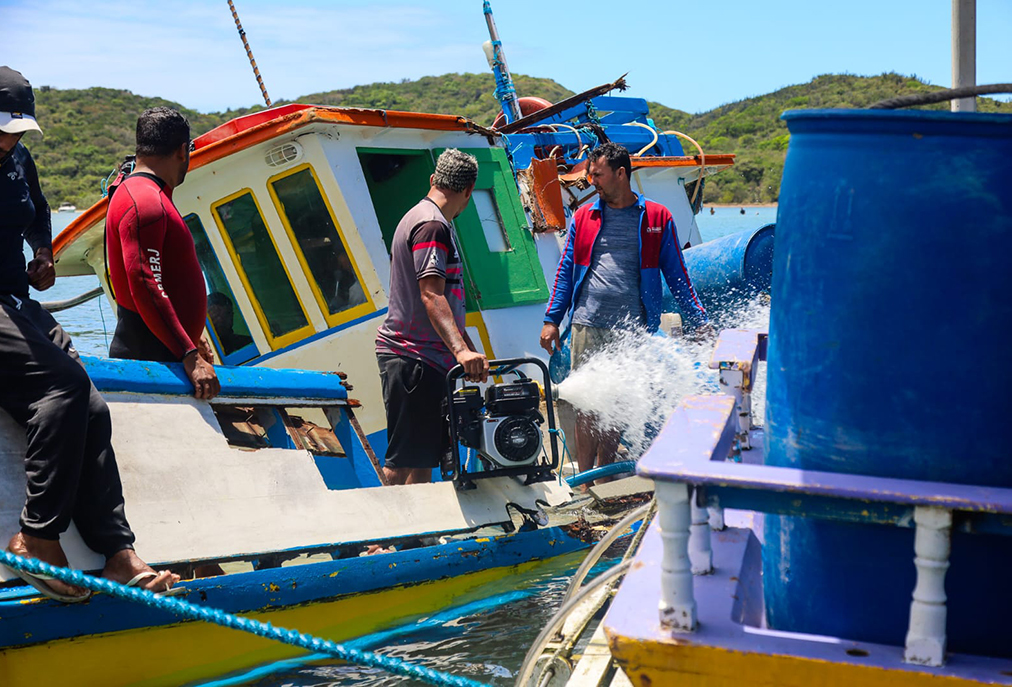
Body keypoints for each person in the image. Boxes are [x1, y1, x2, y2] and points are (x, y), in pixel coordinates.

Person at [0, 66, 179, 600]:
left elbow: (36, 214)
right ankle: (36, 536)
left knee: (91, 403)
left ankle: (118, 553)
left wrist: (44, 253)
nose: (8, 140)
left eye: (16, 131)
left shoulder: (15, 159)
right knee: (63, 387)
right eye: (2, 129)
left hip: (14, 300)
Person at [539, 142, 710, 490]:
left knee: (615, 404)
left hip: (632, 330)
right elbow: (566, 269)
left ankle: (606, 478)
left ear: (621, 174)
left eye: (597, 174)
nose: (591, 181)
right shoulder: (584, 216)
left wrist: (698, 318)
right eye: (590, 175)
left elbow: (677, 273)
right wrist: (552, 319)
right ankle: (585, 484)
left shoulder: (658, 217)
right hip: (588, 322)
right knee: (588, 405)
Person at [375, 149, 489, 486]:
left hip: (424, 357)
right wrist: (461, 352)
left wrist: (466, 347)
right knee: (401, 462)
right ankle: (375, 539)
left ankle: (416, 538)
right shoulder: (432, 225)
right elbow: (431, 294)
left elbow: (445, 302)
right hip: (413, 358)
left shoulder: (421, 216)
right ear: (468, 190)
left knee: (422, 460)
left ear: (433, 181)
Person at [105, 107, 219, 400]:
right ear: (183, 150)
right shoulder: (146, 201)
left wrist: (190, 337)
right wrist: (188, 353)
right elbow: (144, 280)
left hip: (158, 348)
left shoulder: (142, 193)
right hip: (149, 357)